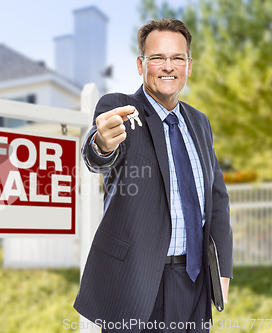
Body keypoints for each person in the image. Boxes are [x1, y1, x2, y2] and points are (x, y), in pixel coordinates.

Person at [74, 19, 233, 333]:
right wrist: (102, 143)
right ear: (140, 64)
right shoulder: (121, 108)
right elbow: (99, 157)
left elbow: (217, 199)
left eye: (177, 58)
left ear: (189, 66)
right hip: (138, 284)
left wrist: (222, 271)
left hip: (194, 282)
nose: (168, 67)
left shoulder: (200, 122)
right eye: (157, 58)